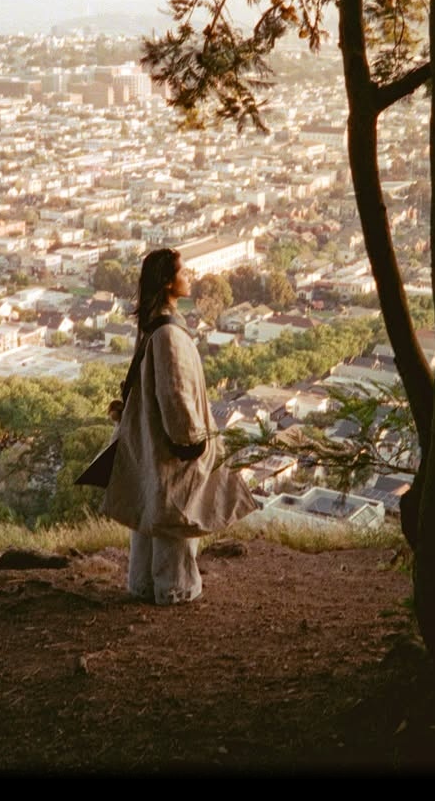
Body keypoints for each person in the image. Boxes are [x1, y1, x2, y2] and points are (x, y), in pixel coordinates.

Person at [102, 248, 256, 604]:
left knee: (151, 509)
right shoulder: (169, 334)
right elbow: (176, 391)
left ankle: (141, 583)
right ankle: (176, 588)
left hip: (148, 435)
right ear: (169, 282)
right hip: (170, 440)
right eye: (183, 272)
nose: (189, 277)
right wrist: (191, 441)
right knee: (176, 513)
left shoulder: (152, 324)